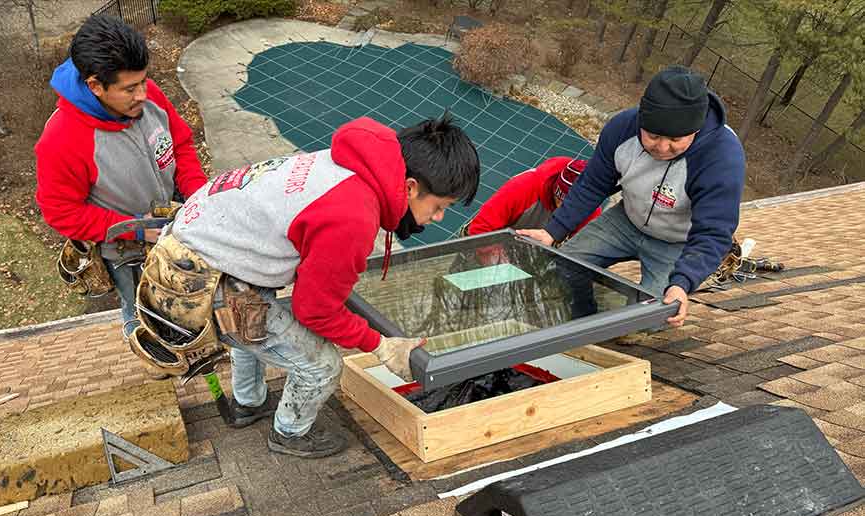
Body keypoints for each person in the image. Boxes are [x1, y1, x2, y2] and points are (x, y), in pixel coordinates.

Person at [132, 114, 481, 459]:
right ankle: (290, 432)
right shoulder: (353, 214)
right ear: (410, 187)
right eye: (440, 207)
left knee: (251, 323)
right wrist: (381, 345)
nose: (438, 218)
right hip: (198, 283)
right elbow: (314, 309)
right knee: (322, 365)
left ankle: (247, 403)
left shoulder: (352, 164)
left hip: (200, 253)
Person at [518, 65, 745, 328]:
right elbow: (593, 184)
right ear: (641, 121)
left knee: (652, 316)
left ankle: (631, 322)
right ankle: (582, 322)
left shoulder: (722, 158)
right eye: (653, 135)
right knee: (563, 267)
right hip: (626, 220)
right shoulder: (621, 128)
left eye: (674, 139)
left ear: (694, 130)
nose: (662, 147)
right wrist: (552, 231)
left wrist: (682, 283)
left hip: (678, 241)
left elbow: (713, 233)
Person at [35, 14, 208, 340]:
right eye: (129, 88)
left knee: (187, 303)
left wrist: (196, 195)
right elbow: (61, 213)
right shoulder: (62, 140)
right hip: (129, 253)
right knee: (141, 310)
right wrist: (135, 230)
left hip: (175, 221)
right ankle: (150, 351)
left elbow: (181, 142)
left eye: (144, 81)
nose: (143, 93)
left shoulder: (148, 95)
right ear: (95, 85)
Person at [466, 156, 600, 237]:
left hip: (540, 251)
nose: (562, 209)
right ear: (555, 188)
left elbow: (580, 255)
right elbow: (479, 228)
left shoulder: (590, 208)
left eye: (572, 206)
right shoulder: (524, 186)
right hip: (497, 239)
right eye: (560, 200)